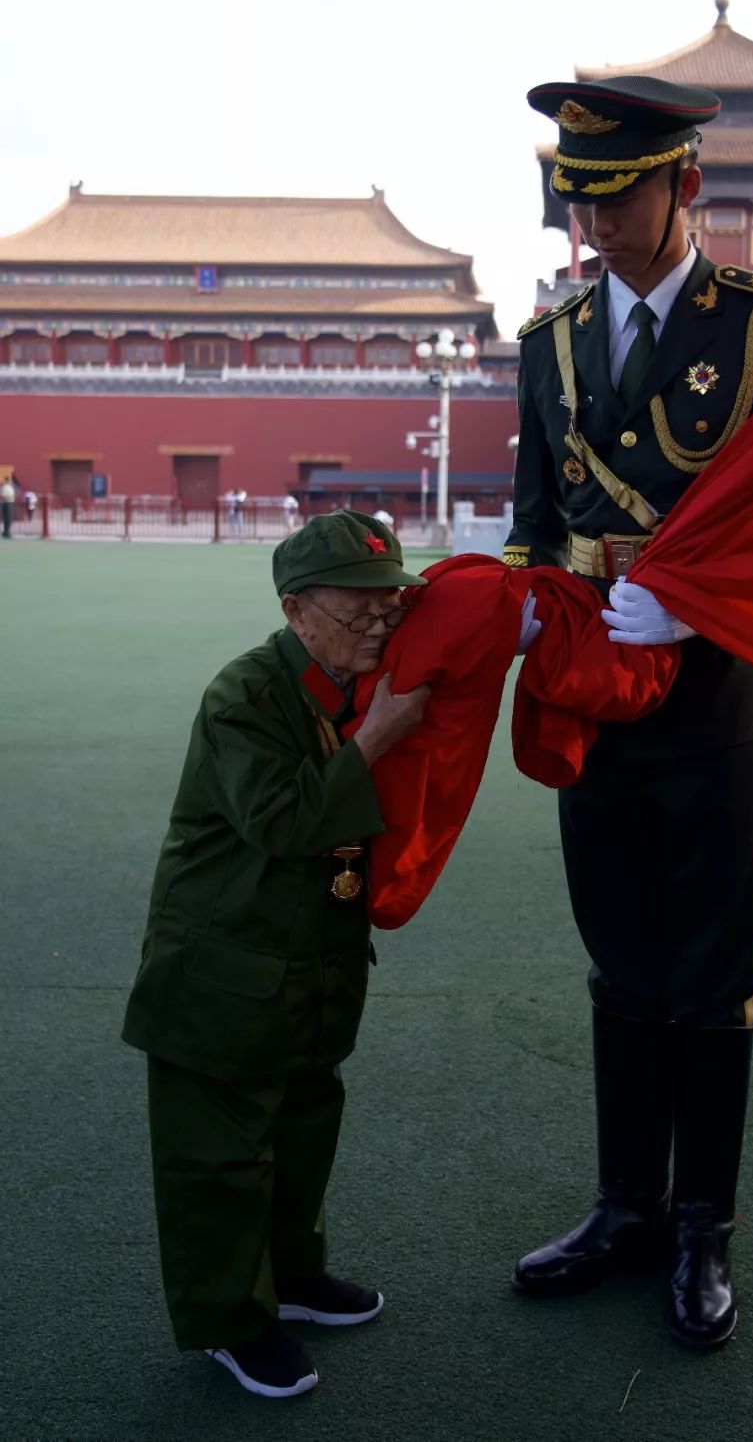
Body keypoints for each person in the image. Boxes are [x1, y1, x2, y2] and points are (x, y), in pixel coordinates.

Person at [504, 76, 753, 1348]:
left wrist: (700, 608)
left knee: (710, 966)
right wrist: (530, 604)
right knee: (620, 956)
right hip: (591, 692)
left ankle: (704, 1226)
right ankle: (626, 1206)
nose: (593, 228)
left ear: (684, 184)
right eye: (576, 204)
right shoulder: (550, 339)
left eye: (617, 199)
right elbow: (536, 519)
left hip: (713, 694)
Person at [121, 510, 430, 1399]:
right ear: (295, 610)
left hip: (307, 963)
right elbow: (285, 821)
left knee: (303, 1124)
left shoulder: (355, 682)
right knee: (219, 1156)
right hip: (220, 971)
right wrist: (378, 738)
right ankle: (230, 1321)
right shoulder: (245, 696)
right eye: (357, 605)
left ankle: (292, 1277)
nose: (380, 619)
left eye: (390, 601)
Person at [0, 474, 14, 539]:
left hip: (10, 503)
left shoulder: (10, 487)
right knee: (7, 519)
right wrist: (8, 498)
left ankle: (6, 532)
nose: (10, 481)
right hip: (6, 503)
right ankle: (6, 532)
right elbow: (3, 495)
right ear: (7, 480)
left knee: (8, 519)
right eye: (9, 479)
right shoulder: (4, 487)